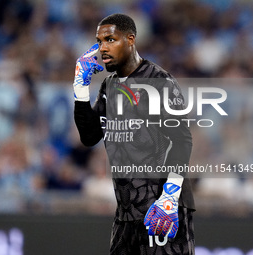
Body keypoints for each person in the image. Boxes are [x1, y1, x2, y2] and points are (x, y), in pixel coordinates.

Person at [73, 14, 195, 254]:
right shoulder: (110, 85)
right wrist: (80, 88)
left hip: (161, 208)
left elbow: (182, 140)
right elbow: (89, 136)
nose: (103, 48)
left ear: (130, 40)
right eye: (99, 42)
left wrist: (169, 197)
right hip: (127, 213)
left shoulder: (159, 81)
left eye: (110, 39)